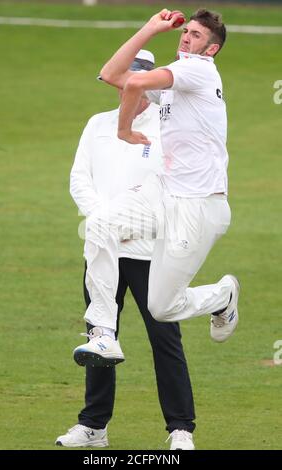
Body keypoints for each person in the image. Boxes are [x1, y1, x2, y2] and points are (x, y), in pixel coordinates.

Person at [75, 9, 240, 378]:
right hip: (163, 191)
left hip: (199, 205)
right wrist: (150, 28)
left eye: (197, 36)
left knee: (163, 308)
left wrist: (123, 131)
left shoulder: (197, 71)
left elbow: (132, 86)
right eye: (187, 32)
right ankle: (103, 333)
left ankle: (223, 295)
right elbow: (113, 75)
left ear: (211, 50)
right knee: (99, 225)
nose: (187, 38)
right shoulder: (175, 77)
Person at [56, 51, 196, 450]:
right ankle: (93, 427)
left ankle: (180, 428)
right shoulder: (97, 125)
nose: (130, 87)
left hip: (150, 251)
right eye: (125, 80)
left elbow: (165, 191)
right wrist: (106, 225)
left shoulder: (164, 129)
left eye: (139, 80)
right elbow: (79, 180)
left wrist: (125, 228)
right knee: (100, 336)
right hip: (104, 252)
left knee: (165, 340)